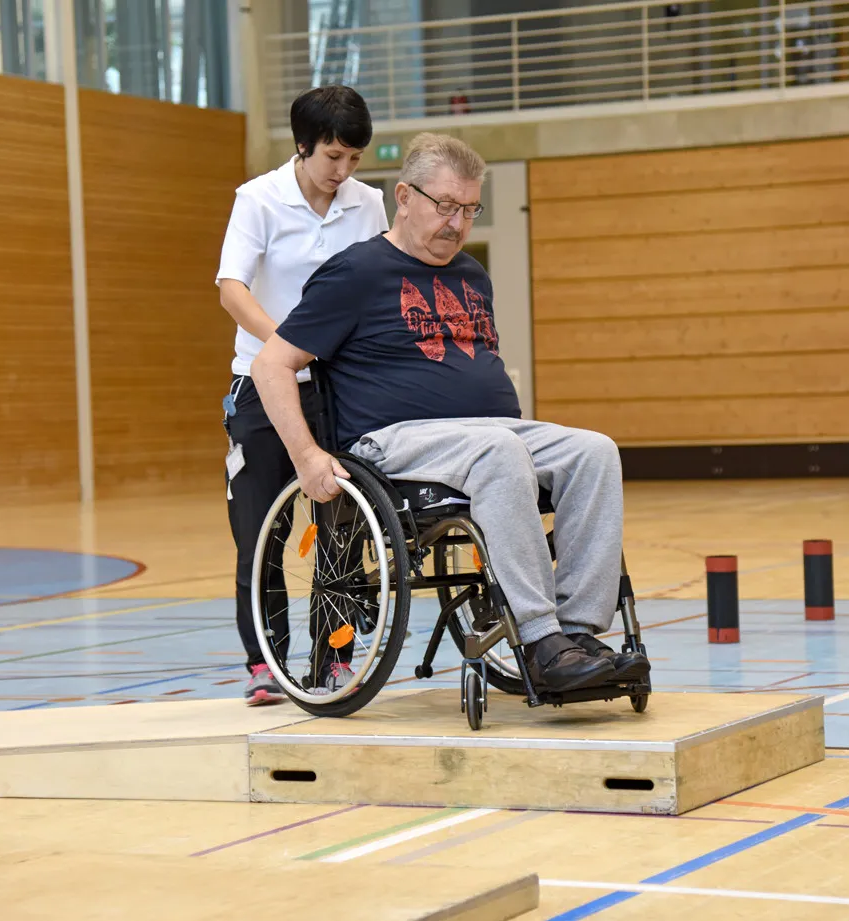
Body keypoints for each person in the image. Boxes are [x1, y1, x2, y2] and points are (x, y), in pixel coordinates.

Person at [250, 133, 649, 694]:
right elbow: (271, 365)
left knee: (595, 451)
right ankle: (538, 641)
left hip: (488, 434)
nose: (458, 224)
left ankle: (577, 635)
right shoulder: (356, 273)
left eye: (469, 209)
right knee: (500, 452)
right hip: (394, 440)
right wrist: (308, 456)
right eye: (444, 206)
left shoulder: (470, 275)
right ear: (404, 197)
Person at [215, 85, 388, 705]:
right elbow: (232, 286)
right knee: (262, 526)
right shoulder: (258, 199)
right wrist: (287, 345)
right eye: (333, 157)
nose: (343, 172)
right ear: (303, 146)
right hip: (264, 383)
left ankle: (333, 658)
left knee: (341, 526)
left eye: (354, 160)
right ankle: (265, 664)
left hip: (339, 390)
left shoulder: (368, 206)